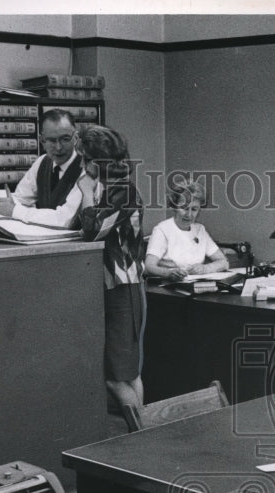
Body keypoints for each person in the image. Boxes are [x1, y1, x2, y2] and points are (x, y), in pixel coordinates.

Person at [73, 124, 154, 412]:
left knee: (118, 379)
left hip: (124, 289)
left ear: (95, 163)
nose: (82, 167)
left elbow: (92, 231)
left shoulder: (123, 191)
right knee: (127, 375)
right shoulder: (108, 189)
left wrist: (84, 192)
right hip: (115, 289)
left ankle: (139, 440)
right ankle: (140, 439)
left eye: (84, 161)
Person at [0, 109, 83, 228]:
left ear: (75, 138)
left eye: (65, 139)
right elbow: (21, 199)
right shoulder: (42, 162)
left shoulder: (86, 170)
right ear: (42, 141)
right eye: (51, 140)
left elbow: (66, 219)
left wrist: (15, 211)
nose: (58, 147)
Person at [145, 176, 229, 279]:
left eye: (194, 209)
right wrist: (168, 273)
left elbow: (223, 262)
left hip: (195, 285)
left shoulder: (199, 230)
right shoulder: (162, 230)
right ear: (174, 207)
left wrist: (206, 268)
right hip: (169, 287)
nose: (189, 215)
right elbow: (149, 266)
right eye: (184, 208)